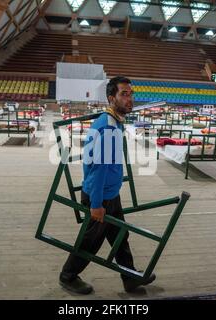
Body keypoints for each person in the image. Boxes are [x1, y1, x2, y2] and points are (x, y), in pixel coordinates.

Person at [59, 76, 156, 294]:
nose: (130, 99)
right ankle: (68, 276)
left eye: (131, 94)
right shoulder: (109, 127)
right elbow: (100, 168)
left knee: (120, 236)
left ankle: (130, 277)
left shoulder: (112, 121)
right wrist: (95, 204)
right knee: (91, 241)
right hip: (99, 195)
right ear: (112, 98)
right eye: (124, 94)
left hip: (110, 194)